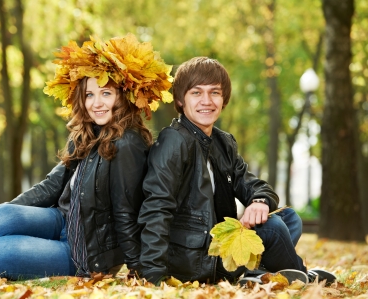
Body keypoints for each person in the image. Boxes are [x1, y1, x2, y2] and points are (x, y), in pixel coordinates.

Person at [0, 33, 173, 280]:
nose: (97, 103)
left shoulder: (128, 142)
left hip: (86, 251)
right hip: (61, 220)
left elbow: (126, 211)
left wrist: (139, 269)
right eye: (89, 95)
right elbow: (52, 186)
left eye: (106, 93)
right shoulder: (86, 132)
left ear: (123, 97)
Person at [137, 56, 336, 285]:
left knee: (289, 218)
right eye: (196, 93)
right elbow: (157, 208)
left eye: (214, 92)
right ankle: (301, 275)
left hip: (222, 245)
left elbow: (253, 185)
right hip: (194, 258)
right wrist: (153, 275)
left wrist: (260, 201)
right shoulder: (173, 141)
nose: (207, 101)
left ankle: (256, 273)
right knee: (273, 228)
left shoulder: (223, 143)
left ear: (224, 99)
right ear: (181, 100)